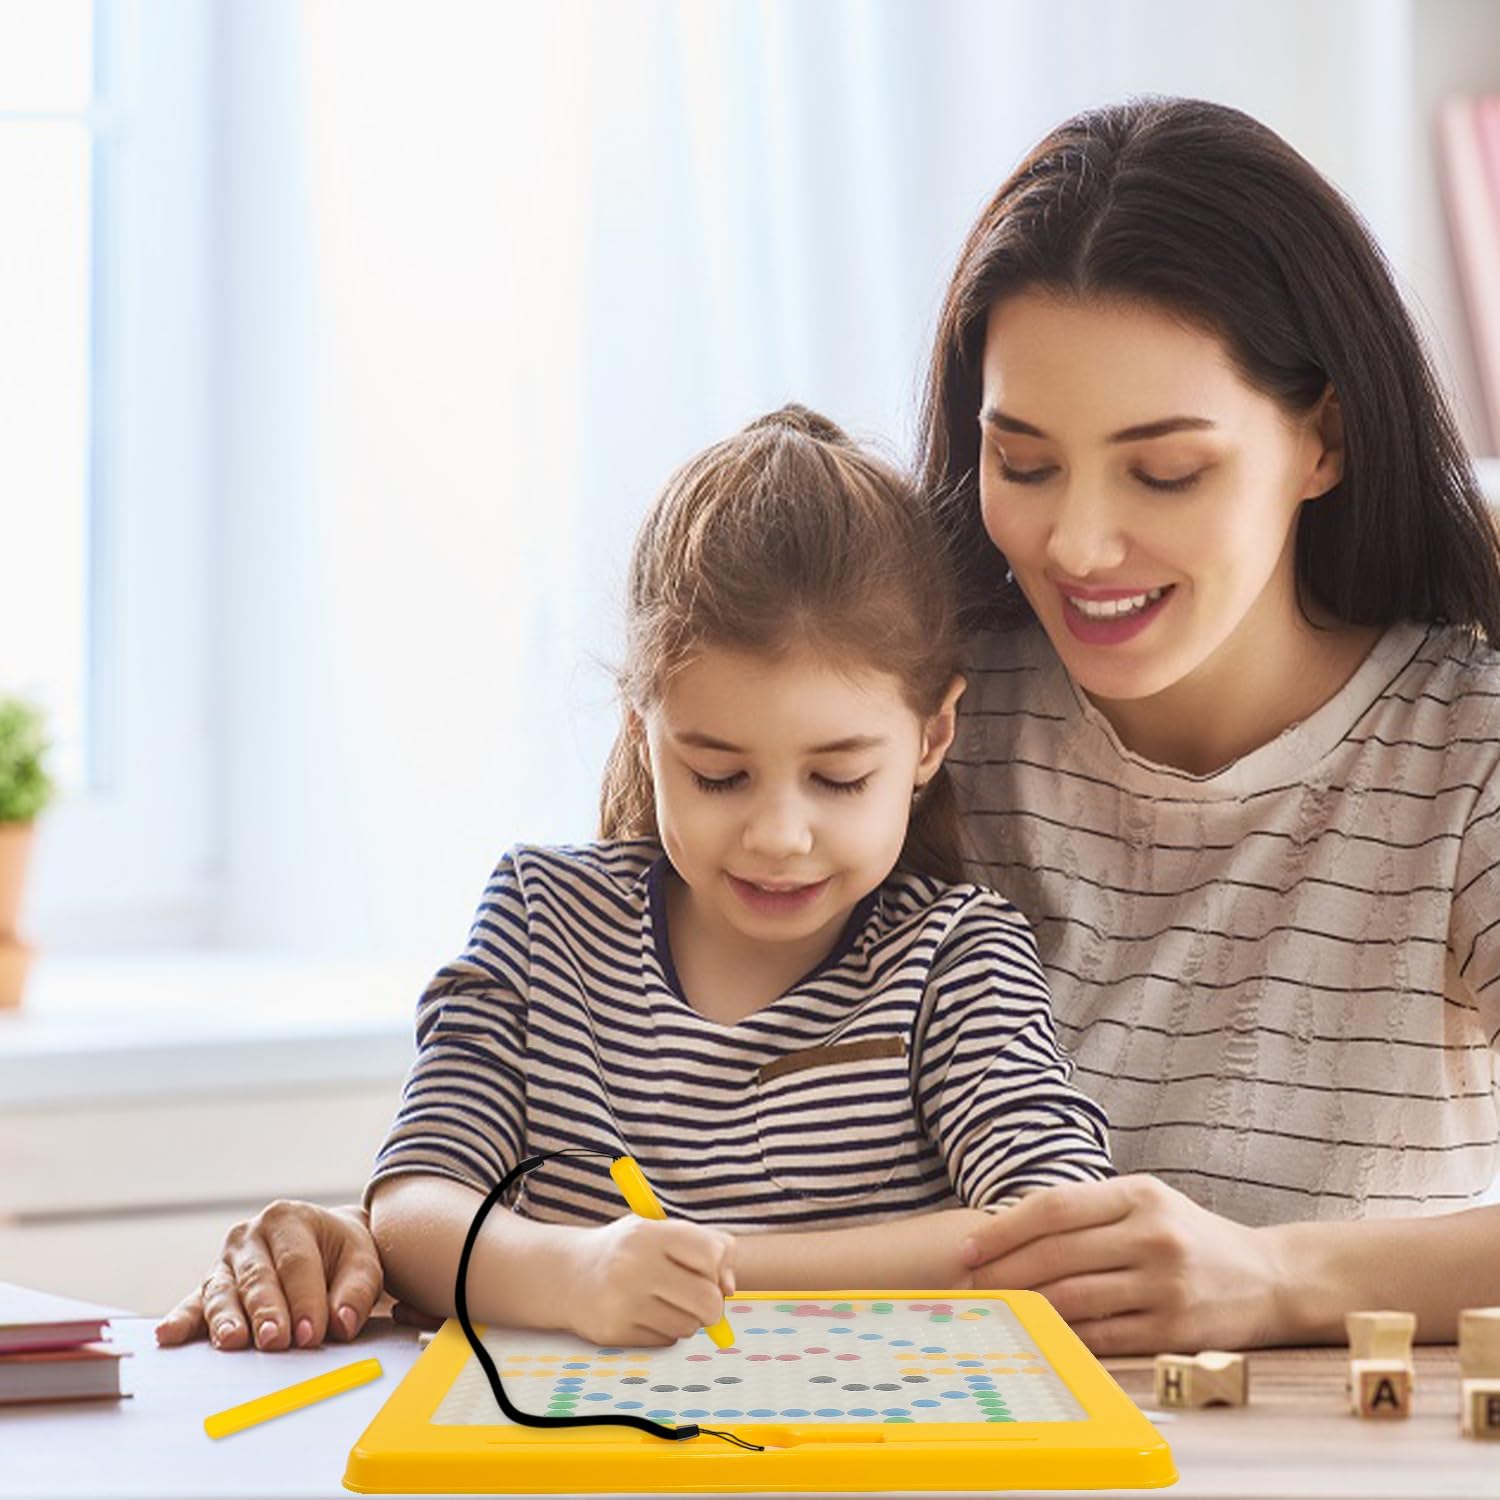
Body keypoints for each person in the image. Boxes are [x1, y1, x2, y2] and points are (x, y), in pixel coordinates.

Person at [157, 404, 1112, 1354]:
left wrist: (699, 1273)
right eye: (717, 775)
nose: (779, 836)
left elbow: (1063, 1229)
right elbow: (414, 1208)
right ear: (641, 733)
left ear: (930, 738)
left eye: (838, 778)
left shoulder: (955, 955)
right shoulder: (543, 922)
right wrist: (576, 1277)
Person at [920, 96, 1500, 1355]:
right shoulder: (923, 725)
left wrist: (1279, 1278)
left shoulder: (1467, 756)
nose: (1075, 544)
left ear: (1322, 442)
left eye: (1164, 472)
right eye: (1022, 463)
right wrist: (411, 1221)